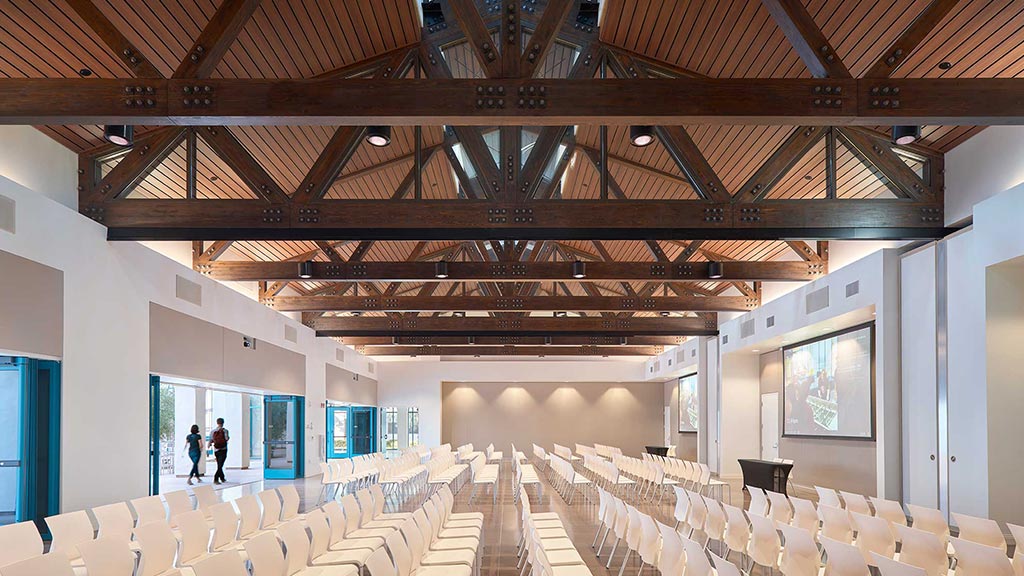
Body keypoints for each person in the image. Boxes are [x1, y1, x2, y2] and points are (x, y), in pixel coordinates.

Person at [208, 418, 230, 485]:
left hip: (216, 450)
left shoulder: (213, 431)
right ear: (223, 423)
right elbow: (226, 438)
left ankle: (222, 477)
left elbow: (211, 440)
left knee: (219, 464)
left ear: (217, 423)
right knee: (220, 465)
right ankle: (216, 478)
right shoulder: (225, 431)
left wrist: (209, 445)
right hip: (223, 449)